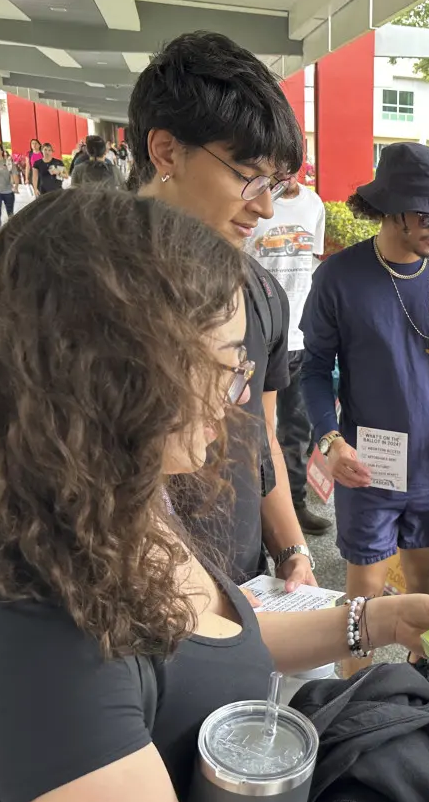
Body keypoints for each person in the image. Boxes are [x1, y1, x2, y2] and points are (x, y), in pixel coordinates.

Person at [0, 186, 429, 802]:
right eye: (228, 364)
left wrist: (371, 619)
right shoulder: (29, 644)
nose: (242, 393)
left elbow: (199, 634)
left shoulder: (108, 503)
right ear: (119, 373)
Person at [301, 143, 429, 673]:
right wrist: (329, 440)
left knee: (424, 587)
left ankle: (420, 688)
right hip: (368, 467)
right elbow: (314, 369)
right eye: (427, 214)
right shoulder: (339, 278)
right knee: (362, 602)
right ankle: (352, 706)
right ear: (390, 208)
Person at [127, 31, 316, 590]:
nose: (262, 206)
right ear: (165, 151)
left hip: (244, 591)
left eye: (275, 185)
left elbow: (261, 436)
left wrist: (291, 551)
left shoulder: (258, 294)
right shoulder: (80, 292)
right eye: (247, 174)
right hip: (120, 606)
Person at [246, 175, 331, 535]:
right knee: (253, 430)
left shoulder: (314, 205)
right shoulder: (252, 205)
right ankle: (254, 513)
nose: (287, 177)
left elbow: (313, 264)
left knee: (298, 432)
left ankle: (294, 506)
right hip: (259, 337)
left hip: (300, 336)